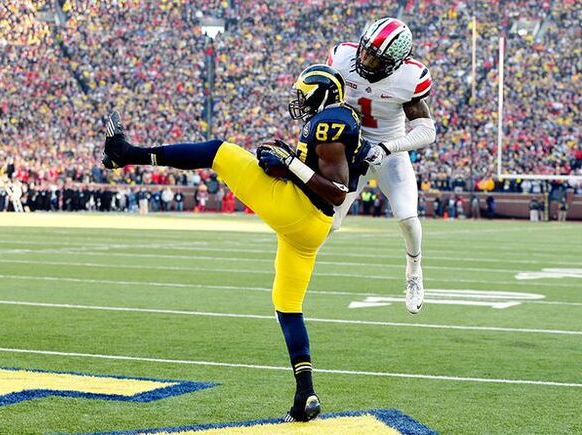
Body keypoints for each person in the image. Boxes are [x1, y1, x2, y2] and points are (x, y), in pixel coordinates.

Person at [101, 64, 366, 422]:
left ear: (322, 95)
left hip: (302, 210)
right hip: (308, 228)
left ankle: (126, 153)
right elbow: (318, 176)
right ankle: (305, 392)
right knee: (286, 304)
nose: (299, 100)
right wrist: (287, 166)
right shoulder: (333, 123)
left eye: (305, 93)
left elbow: (336, 193)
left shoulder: (331, 122)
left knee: (219, 152)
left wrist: (289, 163)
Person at [327, 17, 436, 314]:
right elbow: (326, 99)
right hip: (353, 152)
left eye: (375, 57)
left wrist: (388, 147)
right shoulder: (343, 57)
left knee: (406, 216)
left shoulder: (409, 78)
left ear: (395, 63)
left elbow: (428, 131)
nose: (365, 59)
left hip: (390, 151)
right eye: (365, 50)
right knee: (328, 223)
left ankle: (414, 270)